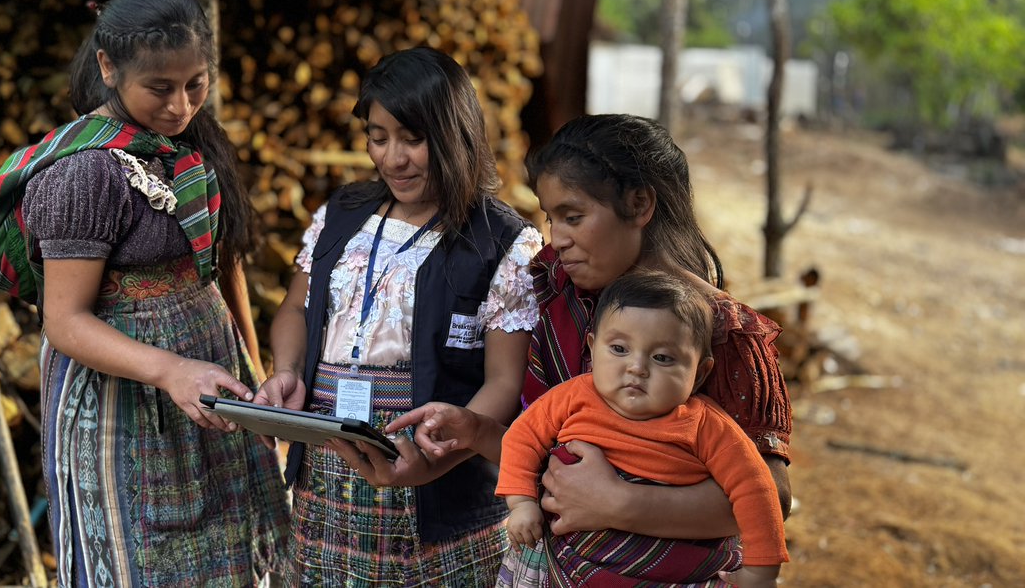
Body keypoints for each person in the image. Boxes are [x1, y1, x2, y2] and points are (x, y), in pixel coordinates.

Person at [386, 113, 792, 586]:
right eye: (551, 218)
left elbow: (770, 497)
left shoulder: (726, 336)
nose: (558, 239)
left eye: (574, 216)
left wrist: (619, 502)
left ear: (639, 204)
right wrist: (473, 430)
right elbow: (548, 454)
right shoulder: (559, 295)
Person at [16, 0, 289, 586]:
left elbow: (223, 265)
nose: (181, 105)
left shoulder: (189, 146)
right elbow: (64, 321)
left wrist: (254, 366)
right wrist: (170, 370)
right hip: (123, 400)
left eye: (196, 84)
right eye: (160, 89)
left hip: (212, 375)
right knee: (143, 556)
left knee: (233, 547)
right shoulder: (85, 174)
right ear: (109, 69)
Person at [254, 46, 543, 585]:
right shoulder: (342, 215)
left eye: (413, 139)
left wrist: (432, 459)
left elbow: (505, 381)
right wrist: (288, 370)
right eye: (378, 137)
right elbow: (297, 305)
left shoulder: (501, 242)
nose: (392, 158)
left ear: (456, 135)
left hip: (434, 474)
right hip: (327, 474)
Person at [497, 270, 787, 587]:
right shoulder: (571, 397)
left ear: (700, 372)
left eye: (662, 357)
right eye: (619, 349)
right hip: (573, 562)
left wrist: (761, 571)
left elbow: (756, 489)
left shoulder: (707, 426)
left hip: (677, 572)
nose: (637, 368)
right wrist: (522, 503)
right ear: (592, 350)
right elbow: (521, 440)